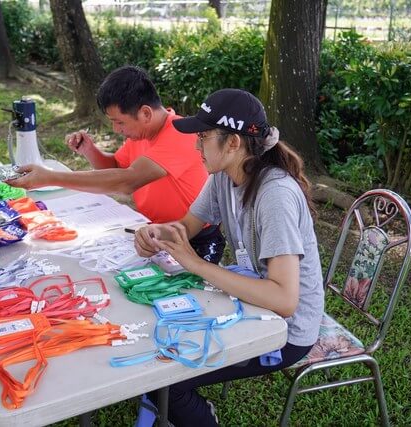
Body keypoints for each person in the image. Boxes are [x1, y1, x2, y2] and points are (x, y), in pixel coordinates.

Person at [134, 89, 324, 426]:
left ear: (233, 142)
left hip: (287, 331)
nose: (196, 146)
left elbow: (284, 299)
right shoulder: (224, 175)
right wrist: (154, 233)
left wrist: (196, 264)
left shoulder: (275, 196)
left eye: (203, 137)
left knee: (167, 378)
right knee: (155, 352)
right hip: (251, 302)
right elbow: (187, 226)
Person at [9, 66, 225, 264]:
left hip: (193, 238)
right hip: (153, 231)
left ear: (146, 113)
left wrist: (50, 177)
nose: (115, 129)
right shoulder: (140, 135)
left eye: (119, 122)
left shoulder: (180, 134)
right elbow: (116, 168)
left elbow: (126, 182)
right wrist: (89, 150)